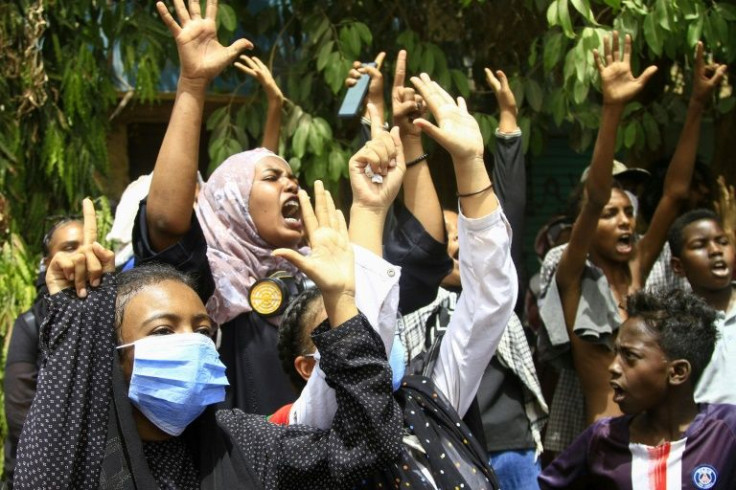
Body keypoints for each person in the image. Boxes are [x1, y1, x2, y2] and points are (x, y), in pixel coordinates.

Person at [14, 194, 402, 490]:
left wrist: (341, 300)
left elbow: (365, 449)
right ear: (113, 359)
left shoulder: (241, 442)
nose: (192, 346)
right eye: (163, 332)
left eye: (202, 332)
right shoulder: (84, 454)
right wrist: (71, 322)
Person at [276, 70, 517, 489]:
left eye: (347, 307)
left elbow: (488, 301)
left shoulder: (431, 399)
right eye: (335, 322)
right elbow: (363, 338)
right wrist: (368, 214)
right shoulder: (300, 429)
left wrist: (470, 164)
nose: (355, 328)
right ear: (307, 366)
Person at [538, 35, 726, 451]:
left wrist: (696, 105)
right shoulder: (571, 275)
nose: (625, 220)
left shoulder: (641, 266)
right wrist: (612, 108)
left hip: (661, 443)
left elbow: (674, 194)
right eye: (611, 215)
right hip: (604, 448)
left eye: (630, 212)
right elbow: (597, 196)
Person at [539, 289, 736, 489]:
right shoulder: (603, 439)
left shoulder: (725, 431)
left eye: (629, 356)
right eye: (616, 353)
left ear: (677, 372)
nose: (613, 367)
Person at [3, 217, 83, 488]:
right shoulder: (31, 323)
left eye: (88, 245)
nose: (82, 255)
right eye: (70, 247)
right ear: (46, 263)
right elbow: (19, 412)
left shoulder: (113, 316)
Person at [668, 209, 736, 405]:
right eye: (700, 245)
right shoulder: (676, 323)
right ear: (678, 266)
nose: (715, 250)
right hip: (706, 432)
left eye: (722, 242)